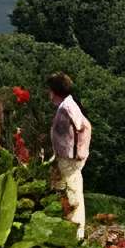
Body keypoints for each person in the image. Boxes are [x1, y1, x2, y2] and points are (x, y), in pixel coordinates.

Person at [44, 70, 93, 232]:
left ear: (54, 90)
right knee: (70, 190)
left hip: (69, 158)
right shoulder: (68, 105)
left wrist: (77, 153)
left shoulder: (66, 108)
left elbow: (83, 127)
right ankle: (73, 229)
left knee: (72, 192)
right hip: (68, 157)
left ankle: (75, 231)